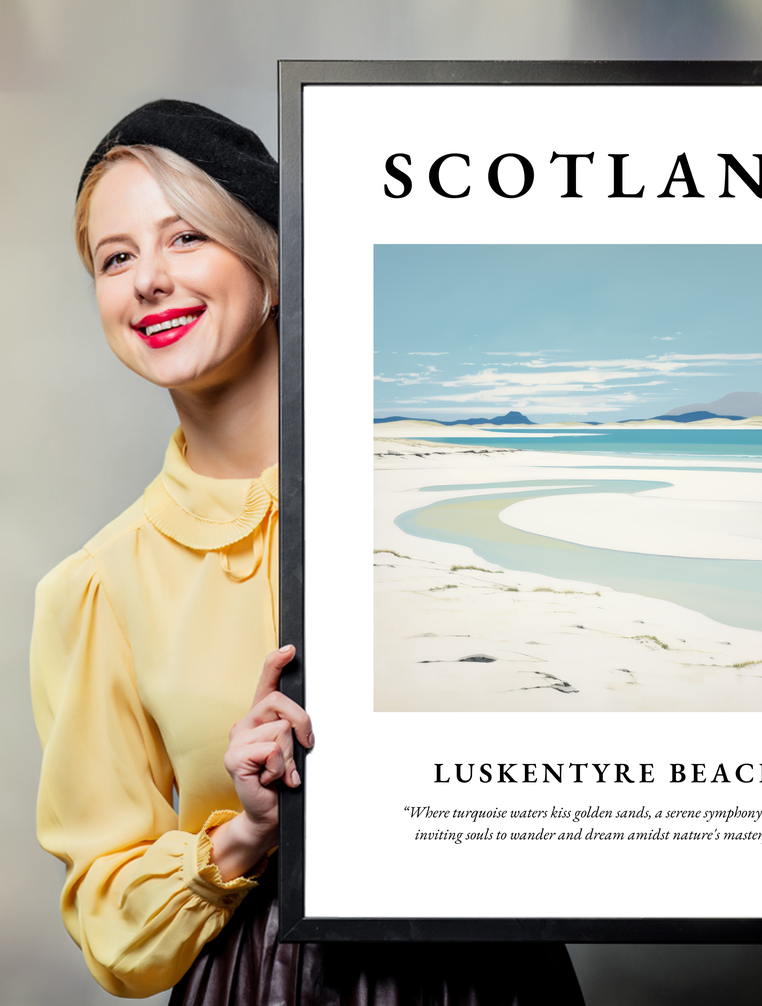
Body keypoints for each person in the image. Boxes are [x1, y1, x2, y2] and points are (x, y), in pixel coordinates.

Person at [30, 100, 585, 1004]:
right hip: (262, 981)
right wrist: (245, 832)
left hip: (493, 972)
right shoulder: (98, 587)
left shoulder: (437, 499)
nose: (148, 281)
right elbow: (110, 924)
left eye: (186, 239)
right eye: (116, 257)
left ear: (273, 264)